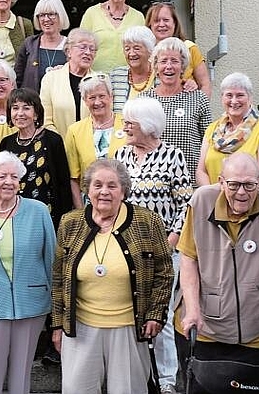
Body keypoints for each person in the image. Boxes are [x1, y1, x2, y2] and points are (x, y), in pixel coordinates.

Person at [178, 153, 259, 394]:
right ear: (221, 182)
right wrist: (192, 310)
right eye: (234, 185)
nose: (242, 192)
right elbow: (188, 258)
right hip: (206, 328)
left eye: (250, 185)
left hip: (253, 329)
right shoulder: (201, 201)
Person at [51, 159, 173, 394]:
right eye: (97, 185)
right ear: (87, 189)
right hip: (81, 329)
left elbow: (164, 271)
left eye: (112, 186)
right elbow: (58, 276)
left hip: (128, 328)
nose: (104, 192)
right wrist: (57, 324)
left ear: (124, 190)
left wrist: (156, 315)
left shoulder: (147, 222)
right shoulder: (70, 222)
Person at [114, 96, 193, 394]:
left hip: (164, 252)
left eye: (130, 123)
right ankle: (136, 377)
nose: (125, 127)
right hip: (125, 252)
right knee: (128, 314)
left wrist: (171, 240)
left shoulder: (173, 156)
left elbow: (187, 203)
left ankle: (168, 381)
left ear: (147, 125)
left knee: (161, 317)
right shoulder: (121, 156)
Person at [0, 151, 56, 394]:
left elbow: (51, 259)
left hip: (31, 303)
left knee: (20, 376)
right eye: (2, 176)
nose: (9, 181)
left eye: (14, 177)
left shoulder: (38, 212)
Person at [141, 37, 211, 186]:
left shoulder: (198, 99)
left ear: (183, 66)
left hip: (191, 183)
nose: (169, 66)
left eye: (174, 61)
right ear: (155, 66)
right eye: (164, 61)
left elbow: (209, 144)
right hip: (153, 184)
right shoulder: (143, 101)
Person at [0, 88, 73, 228]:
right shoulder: (6, 143)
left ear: (36, 114)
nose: (20, 113)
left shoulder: (52, 140)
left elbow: (63, 183)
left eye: (26, 108)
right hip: (14, 217)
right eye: (15, 108)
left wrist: (64, 220)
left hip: (47, 216)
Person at [196, 72, 259, 189]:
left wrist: (234, 195)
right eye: (229, 95)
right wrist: (214, 195)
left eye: (240, 95)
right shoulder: (212, 129)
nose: (234, 101)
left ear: (250, 98)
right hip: (215, 202)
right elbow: (200, 171)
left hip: (251, 201)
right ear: (222, 98)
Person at [64, 73, 126, 208]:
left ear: (111, 97)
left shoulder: (127, 124)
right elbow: (74, 178)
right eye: (92, 98)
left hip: (124, 202)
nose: (97, 102)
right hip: (89, 205)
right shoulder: (75, 131)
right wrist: (81, 212)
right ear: (85, 101)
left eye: (102, 96)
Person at [80, 0, 145, 73]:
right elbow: (79, 47)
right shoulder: (91, 13)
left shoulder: (138, 17)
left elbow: (145, 50)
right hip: (96, 78)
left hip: (128, 79)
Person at [145, 1, 211, 97]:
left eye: (166, 20)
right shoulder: (145, 52)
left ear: (174, 23)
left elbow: (204, 84)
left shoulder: (190, 48)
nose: (161, 24)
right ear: (150, 25)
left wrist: (200, 107)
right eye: (156, 20)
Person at [39, 28, 97, 136]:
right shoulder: (50, 79)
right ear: (68, 51)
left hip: (92, 146)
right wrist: (62, 144)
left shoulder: (99, 82)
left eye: (92, 49)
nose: (88, 52)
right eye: (83, 47)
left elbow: (104, 119)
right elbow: (45, 120)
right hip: (59, 146)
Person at [15, 0, 70, 92]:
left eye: (51, 14)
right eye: (42, 15)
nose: (46, 19)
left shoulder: (71, 46)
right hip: (32, 104)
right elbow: (17, 79)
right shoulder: (29, 44)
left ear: (61, 16)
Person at [109, 25, 156, 114]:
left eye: (136, 48)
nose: (131, 53)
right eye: (127, 49)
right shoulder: (116, 76)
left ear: (149, 50)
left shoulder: (160, 75)